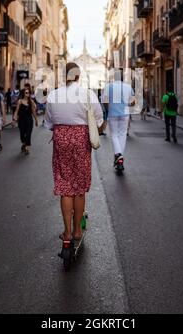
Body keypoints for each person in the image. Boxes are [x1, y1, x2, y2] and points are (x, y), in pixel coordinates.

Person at [45, 62, 105, 242]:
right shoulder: (88, 94)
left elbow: (48, 124)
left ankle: (67, 233)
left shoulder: (54, 95)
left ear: (65, 76)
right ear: (79, 76)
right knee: (79, 188)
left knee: (65, 187)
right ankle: (78, 231)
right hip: (81, 140)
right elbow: (99, 120)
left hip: (61, 139)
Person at [102, 70, 135, 170]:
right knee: (122, 135)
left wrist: (108, 109)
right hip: (125, 114)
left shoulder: (108, 87)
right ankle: (120, 159)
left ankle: (118, 155)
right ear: (122, 77)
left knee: (114, 135)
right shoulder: (128, 87)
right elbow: (133, 102)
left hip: (113, 114)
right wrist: (127, 105)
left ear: (113, 77)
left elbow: (104, 101)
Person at [14, 88, 38, 155]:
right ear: (23, 93)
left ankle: (27, 148)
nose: (28, 94)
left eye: (28, 93)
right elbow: (17, 110)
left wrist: (36, 120)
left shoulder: (31, 101)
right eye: (26, 93)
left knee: (28, 134)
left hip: (29, 120)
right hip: (21, 120)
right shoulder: (20, 101)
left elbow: (33, 112)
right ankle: (24, 144)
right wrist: (15, 116)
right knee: (22, 135)